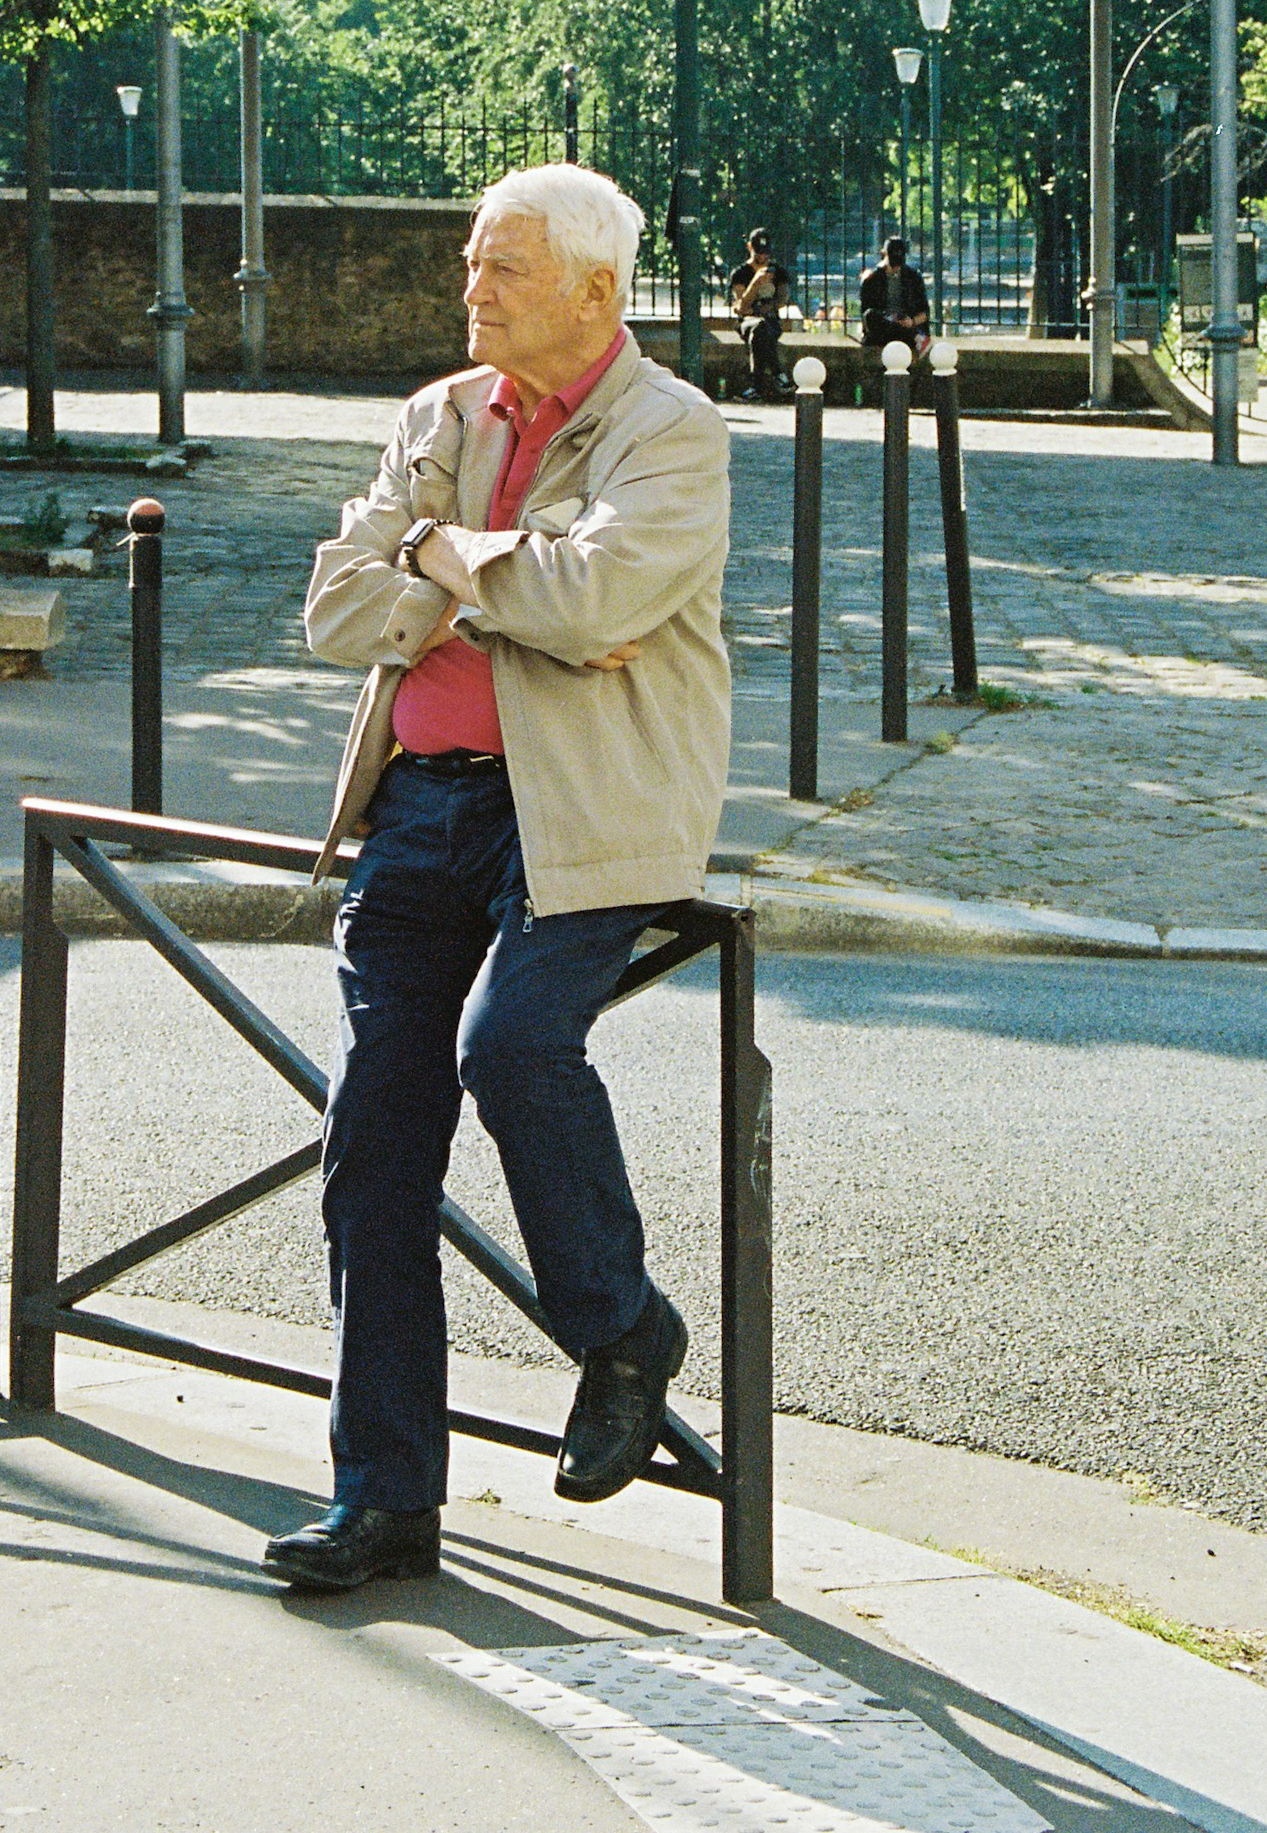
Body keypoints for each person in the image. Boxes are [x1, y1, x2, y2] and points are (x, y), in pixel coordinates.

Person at [265, 163, 732, 1595]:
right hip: (416, 809)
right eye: (474, 264)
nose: (472, 291)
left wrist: (455, 570)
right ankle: (384, 1496)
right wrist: (478, 569)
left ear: (596, 288)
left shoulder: (672, 431)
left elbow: (597, 598)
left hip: (577, 811)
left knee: (516, 1046)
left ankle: (622, 1325)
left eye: (503, 269)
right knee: (375, 1142)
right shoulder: (440, 416)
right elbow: (333, 607)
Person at [728, 227, 791, 400]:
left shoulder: (778, 272)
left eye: (766, 253)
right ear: (750, 248)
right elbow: (741, 307)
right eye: (758, 253)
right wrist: (755, 283)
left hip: (770, 322)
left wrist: (761, 308)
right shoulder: (740, 274)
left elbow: (782, 300)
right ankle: (778, 373)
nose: (762, 258)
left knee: (761, 331)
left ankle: (756, 387)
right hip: (748, 322)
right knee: (758, 328)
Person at [859, 235, 931, 364]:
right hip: (885, 328)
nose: (896, 267)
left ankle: (909, 333)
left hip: (906, 324)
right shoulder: (872, 279)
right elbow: (866, 314)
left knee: (903, 328)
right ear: (884, 255)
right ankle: (913, 336)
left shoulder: (913, 278)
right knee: (871, 316)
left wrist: (912, 321)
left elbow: (925, 312)